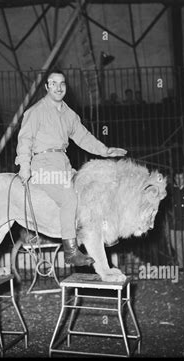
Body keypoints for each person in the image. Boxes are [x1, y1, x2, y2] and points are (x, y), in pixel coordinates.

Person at [15, 69, 127, 266]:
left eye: (62, 84)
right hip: (42, 165)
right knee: (68, 198)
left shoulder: (69, 114)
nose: (59, 88)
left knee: (90, 188)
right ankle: (71, 251)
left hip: (63, 164)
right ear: (47, 87)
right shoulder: (35, 112)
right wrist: (24, 166)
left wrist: (105, 151)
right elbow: (24, 140)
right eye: (54, 83)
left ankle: (102, 231)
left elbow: (83, 137)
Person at [167, 170, 184, 269]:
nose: (179, 180)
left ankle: (183, 266)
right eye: (177, 178)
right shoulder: (170, 191)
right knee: (175, 244)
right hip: (173, 223)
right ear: (174, 178)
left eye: (181, 178)